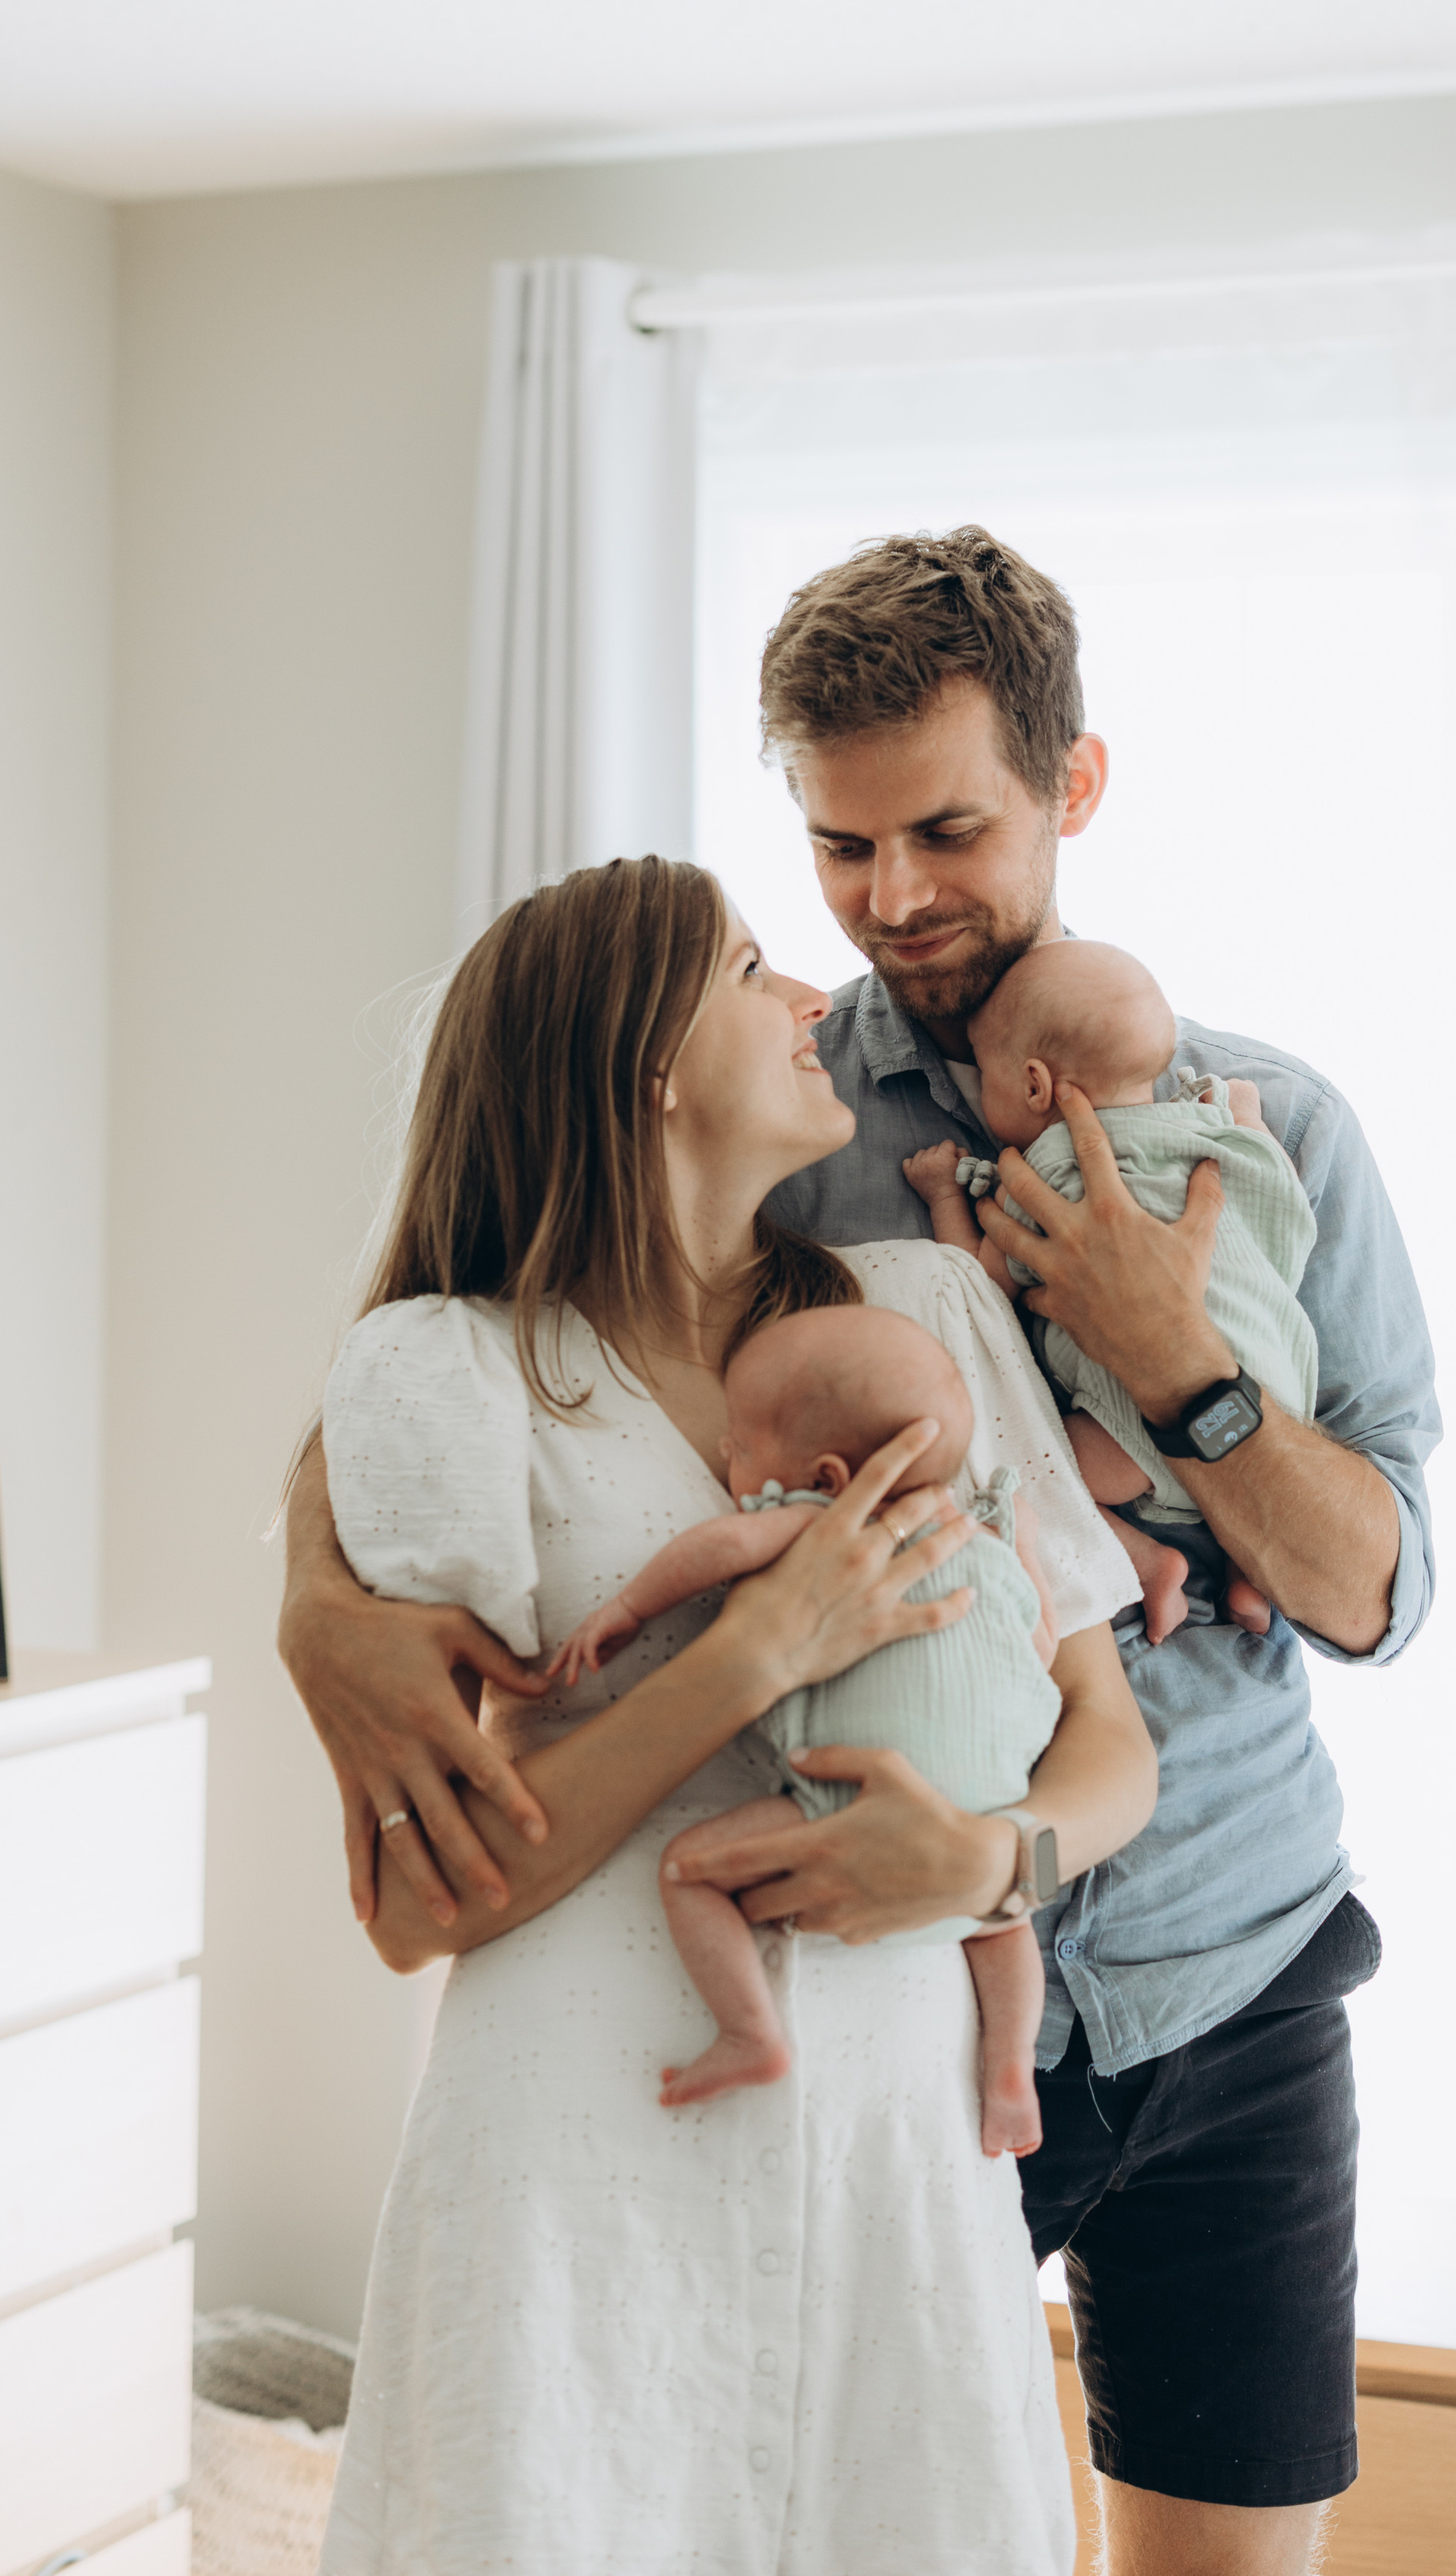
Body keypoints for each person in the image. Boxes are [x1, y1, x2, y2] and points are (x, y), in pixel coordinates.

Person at [282, 527, 1438, 2576]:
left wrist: (1183, 1371)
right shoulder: (796, 1131)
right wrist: (316, 1595)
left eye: (945, 828)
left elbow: (1370, 1589)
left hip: (1207, 1959)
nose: (888, 899)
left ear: (1071, 787)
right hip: (861, 2002)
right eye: (835, 848)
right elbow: (485, 1313)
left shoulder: (1265, 1136)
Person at [301, 854, 1156, 2576]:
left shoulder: (921, 1313)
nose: (808, 997)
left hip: (888, 2161)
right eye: (754, 966)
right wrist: (755, 1653)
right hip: (575, 2157)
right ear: (644, 1064)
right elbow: (414, 1907)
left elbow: (1105, 1741)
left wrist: (996, 1864)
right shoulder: (450, 1374)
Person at [544, 1300, 1115, 2152]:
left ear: (827, 1473)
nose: (725, 1456)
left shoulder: (820, 1525)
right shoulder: (988, 1538)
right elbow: (1035, 1644)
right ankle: (1007, 2076)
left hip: (844, 1808)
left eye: (738, 1444)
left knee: (689, 1874)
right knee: (1003, 1929)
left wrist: (628, 1608)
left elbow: (717, 1550)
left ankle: (750, 2033)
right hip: (982, 1832)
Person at [902, 933, 1316, 1643]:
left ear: (1034, 1085)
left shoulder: (1056, 1177)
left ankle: (1147, 1561)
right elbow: (1277, 1199)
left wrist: (945, 1194)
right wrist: (1242, 1115)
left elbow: (979, 1289)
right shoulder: (1207, 1134)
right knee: (1236, 1497)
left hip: (1140, 1437)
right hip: (1282, 1397)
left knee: (1019, 1470)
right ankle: (1253, 1576)